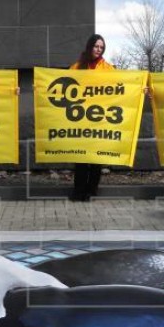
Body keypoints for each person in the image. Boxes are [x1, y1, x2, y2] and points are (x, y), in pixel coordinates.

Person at [69, 34, 115, 202]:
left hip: (100, 119)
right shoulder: (76, 67)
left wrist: (140, 90)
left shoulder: (108, 69)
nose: (99, 50)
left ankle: (90, 190)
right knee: (80, 156)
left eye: (101, 47)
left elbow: (121, 87)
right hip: (80, 119)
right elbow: (64, 86)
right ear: (90, 47)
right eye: (96, 46)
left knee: (96, 157)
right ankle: (78, 190)